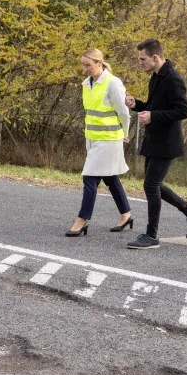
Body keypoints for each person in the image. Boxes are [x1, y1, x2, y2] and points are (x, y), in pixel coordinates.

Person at [125, 39, 187, 249]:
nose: (140, 63)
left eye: (142, 59)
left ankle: (152, 236)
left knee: (151, 185)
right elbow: (154, 107)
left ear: (155, 57)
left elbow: (183, 111)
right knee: (154, 184)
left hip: (167, 142)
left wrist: (153, 116)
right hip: (154, 139)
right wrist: (138, 105)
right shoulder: (156, 77)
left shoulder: (172, 78)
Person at [67, 48, 133, 237]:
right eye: (83, 65)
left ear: (99, 63)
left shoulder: (112, 83)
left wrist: (125, 133)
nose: (85, 69)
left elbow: (123, 112)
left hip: (109, 140)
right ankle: (126, 214)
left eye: (88, 65)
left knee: (90, 177)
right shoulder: (87, 84)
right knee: (110, 178)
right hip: (94, 140)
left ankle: (82, 220)